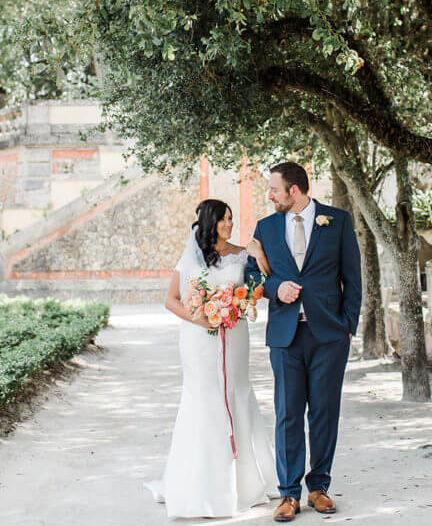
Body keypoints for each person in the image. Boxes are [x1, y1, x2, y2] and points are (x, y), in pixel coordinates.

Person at [245, 162, 361, 522]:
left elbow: (352, 277)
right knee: (288, 414)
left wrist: (348, 327)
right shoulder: (265, 227)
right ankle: (288, 494)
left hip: (328, 335)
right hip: (285, 335)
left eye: (274, 189)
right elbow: (250, 274)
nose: (269, 195)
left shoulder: (337, 221)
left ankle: (319, 488)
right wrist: (275, 287)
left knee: (325, 413)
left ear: (294, 190)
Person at [146, 199, 274, 518]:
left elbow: (260, 289)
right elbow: (171, 301)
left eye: (231, 218)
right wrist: (201, 318)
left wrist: (259, 257)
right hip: (199, 339)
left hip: (236, 337)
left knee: (236, 394)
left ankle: (245, 482)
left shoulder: (243, 253)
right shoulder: (191, 255)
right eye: (222, 220)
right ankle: (202, 484)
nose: (228, 224)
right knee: (204, 399)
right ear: (209, 222)